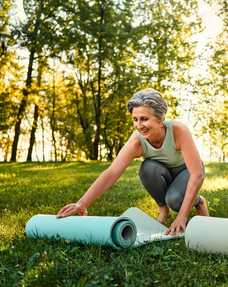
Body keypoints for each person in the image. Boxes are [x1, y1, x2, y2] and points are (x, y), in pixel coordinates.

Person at [56, 88, 209, 236]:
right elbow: (111, 173)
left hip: (186, 171)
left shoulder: (178, 131)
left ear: (160, 119)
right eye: (135, 119)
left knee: (175, 201)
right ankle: (164, 210)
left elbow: (197, 174)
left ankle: (199, 201)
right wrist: (83, 202)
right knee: (147, 168)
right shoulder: (136, 140)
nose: (138, 125)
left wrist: (181, 216)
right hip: (162, 173)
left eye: (144, 119)